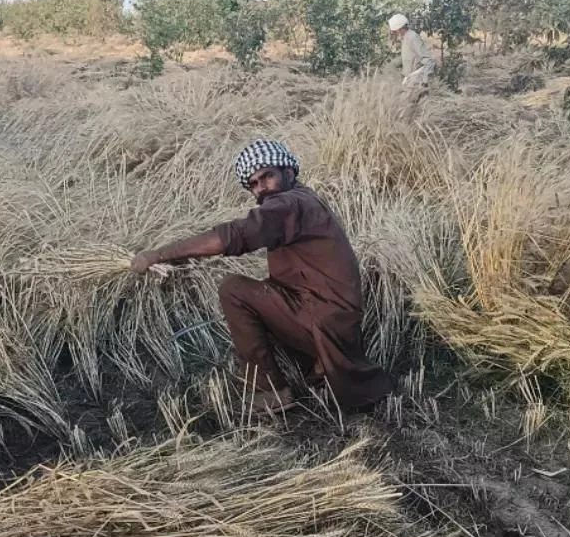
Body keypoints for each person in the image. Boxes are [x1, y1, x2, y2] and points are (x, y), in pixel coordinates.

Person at [130, 140, 393, 414]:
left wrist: (158, 255)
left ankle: (269, 392)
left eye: (267, 176)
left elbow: (235, 236)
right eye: (253, 183)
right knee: (266, 290)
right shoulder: (304, 199)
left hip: (326, 323)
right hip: (333, 320)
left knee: (234, 289)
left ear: (288, 172)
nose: (261, 188)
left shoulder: (289, 204)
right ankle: (317, 365)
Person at [388, 14, 436, 93]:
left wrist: (425, 81)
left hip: (416, 82)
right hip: (409, 81)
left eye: (394, 31)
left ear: (399, 29)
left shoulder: (413, 37)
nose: (394, 33)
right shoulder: (405, 38)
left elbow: (428, 60)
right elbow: (409, 57)